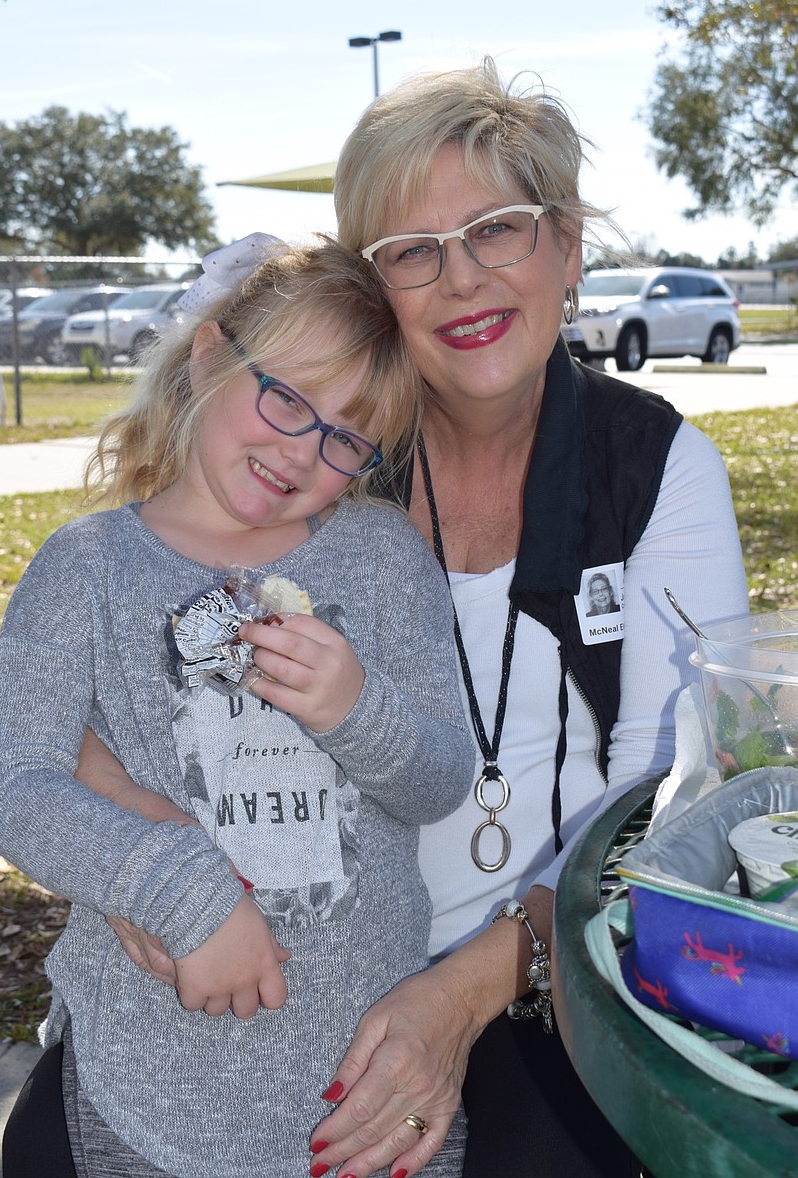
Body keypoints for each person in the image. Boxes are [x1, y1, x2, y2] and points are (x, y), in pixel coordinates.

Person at [73, 62, 749, 1178]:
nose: (461, 279)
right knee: (61, 1138)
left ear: (567, 249)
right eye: (411, 251)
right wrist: (143, 856)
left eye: (498, 228)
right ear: (371, 291)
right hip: (293, 950)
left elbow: (673, 794)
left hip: (544, 966)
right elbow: (100, 692)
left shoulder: (655, 467)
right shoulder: (325, 459)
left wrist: (475, 985)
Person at [0, 239, 475, 1178]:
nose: (302, 451)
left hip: (368, 1097)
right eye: (285, 397)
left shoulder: (380, 557)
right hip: (148, 1092)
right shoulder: (84, 569)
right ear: (209, 353)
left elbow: (443, 776)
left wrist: (356, 708)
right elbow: (16, 784)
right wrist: (180, 891)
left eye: (345, 439)